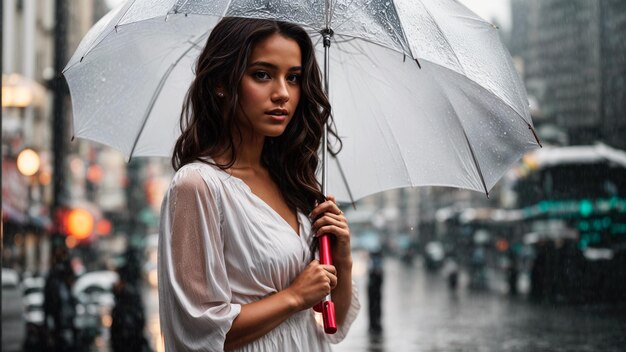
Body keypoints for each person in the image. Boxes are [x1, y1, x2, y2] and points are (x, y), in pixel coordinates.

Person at [158, 17, 360, 352]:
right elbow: (196, 334)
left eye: (293, 78)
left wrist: (343, 256)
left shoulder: (291, 184)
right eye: (262, 75)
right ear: (223, 82)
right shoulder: (198, 185)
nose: (282, 93)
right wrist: (294, 296)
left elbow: (331, 322)